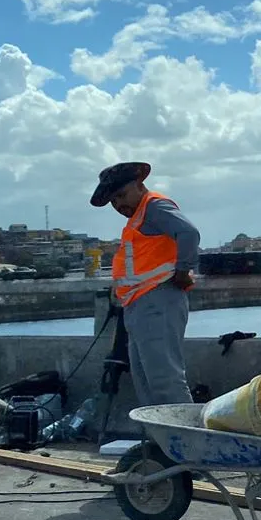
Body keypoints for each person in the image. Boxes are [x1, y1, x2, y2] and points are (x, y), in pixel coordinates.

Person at [91, 161, 200, 406]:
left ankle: (182, 440)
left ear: (140, 185)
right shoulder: (140, 217)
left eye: (122, 195)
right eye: (114, 201)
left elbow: (189, 233)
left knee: (164, 380)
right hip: (141, 304)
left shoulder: (154, 207)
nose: (119, 204)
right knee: (145, 379)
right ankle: (160, 440)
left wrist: (182, 271)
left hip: (158, 300)